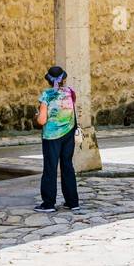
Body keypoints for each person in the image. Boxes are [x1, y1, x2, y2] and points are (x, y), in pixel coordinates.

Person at [34, 64, 80, 213]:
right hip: (68, 134)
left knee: (50, 169)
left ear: (48, 80)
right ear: (63, 79)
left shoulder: (47, 95)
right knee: (67, 166)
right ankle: (72, 202)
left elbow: (41, 120)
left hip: (51, 136)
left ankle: (48, 203)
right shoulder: (70, 92)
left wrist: (36, 116)